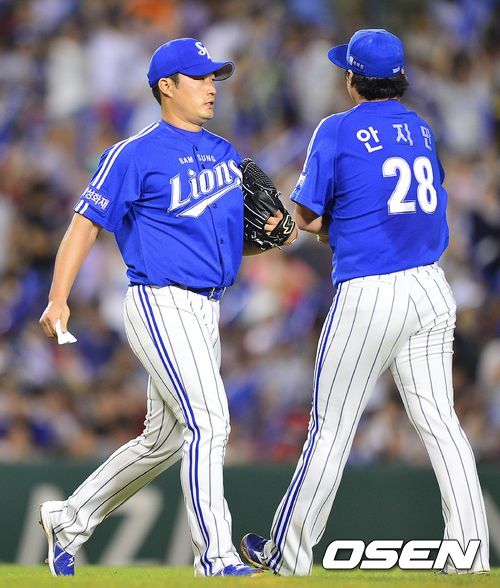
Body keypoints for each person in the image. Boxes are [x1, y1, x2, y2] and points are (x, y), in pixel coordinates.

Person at [38, 37, 296, 577]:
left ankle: (69, 519)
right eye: (199, 77)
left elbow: (229, 242)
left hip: (208, 309)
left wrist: (271, 236)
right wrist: (59, 296)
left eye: (214, 77)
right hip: (160, 301)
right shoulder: (134, 153)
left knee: (164, 440)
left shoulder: (226, 154)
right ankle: (216, 557)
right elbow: (84, 225)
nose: (211, 86)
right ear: (166, 86)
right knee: (210, 422)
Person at [241, 29, 490, 575]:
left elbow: (306, 217)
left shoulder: (337, 129)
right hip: (430, 287)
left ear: (352, 78)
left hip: (370, 292)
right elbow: (417, 209)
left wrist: (316, 227)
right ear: (400, 79)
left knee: (330, 430)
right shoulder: (421, 129)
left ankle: (288, 556)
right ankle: (470, 554)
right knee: (442, 425)